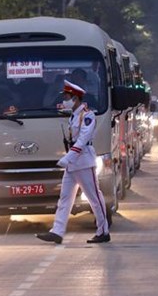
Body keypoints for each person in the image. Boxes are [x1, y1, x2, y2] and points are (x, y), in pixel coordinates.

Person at [36, 80, 110, 245]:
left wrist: (68, 157)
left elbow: (83, 139)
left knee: (94, 198)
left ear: (75, 98)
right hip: (72, 164)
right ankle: (57, 231)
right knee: (64, 198)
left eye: (67, 97)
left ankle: (103, 231)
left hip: (83, 161)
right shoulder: (74, 116)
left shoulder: (87, 115)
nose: (64, 101)